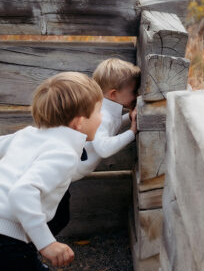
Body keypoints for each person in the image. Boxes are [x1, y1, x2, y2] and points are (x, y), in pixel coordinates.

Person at [0, 72, 103, 271]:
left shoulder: (28, 136)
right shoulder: (63, 152)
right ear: (79, 122)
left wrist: (27, 136)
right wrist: (47, 243)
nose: (101, 119)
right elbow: (22, 192)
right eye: (99, 112)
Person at [47, 58, 140, 236]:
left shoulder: (106, 112)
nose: (137, 95)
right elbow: (103, 148)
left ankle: (30, 250)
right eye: (134, 91)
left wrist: (132, 118)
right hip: (57, 174)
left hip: (63, 175)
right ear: (113, 94)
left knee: (56, 218)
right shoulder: (102, 115)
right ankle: (28, 250)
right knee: (56, 219)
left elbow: (112, 124)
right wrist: (132, 131)